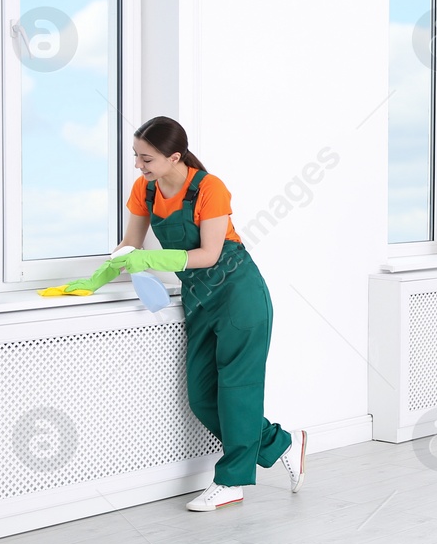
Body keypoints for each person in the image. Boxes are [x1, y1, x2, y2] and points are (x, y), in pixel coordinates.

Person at [45, 117, 306, 511]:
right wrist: (94, 279)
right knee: (203, 397)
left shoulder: (209, 188)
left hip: (239, 293)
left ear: (175, 157)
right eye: (136, 156)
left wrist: (150, 257)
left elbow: (210, 254)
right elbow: (130, 244)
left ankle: (232, 481)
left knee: (237, 391)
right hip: (198, 298)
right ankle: (281, 442)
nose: (139, 165)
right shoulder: (145, 190)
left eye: (146, 158)